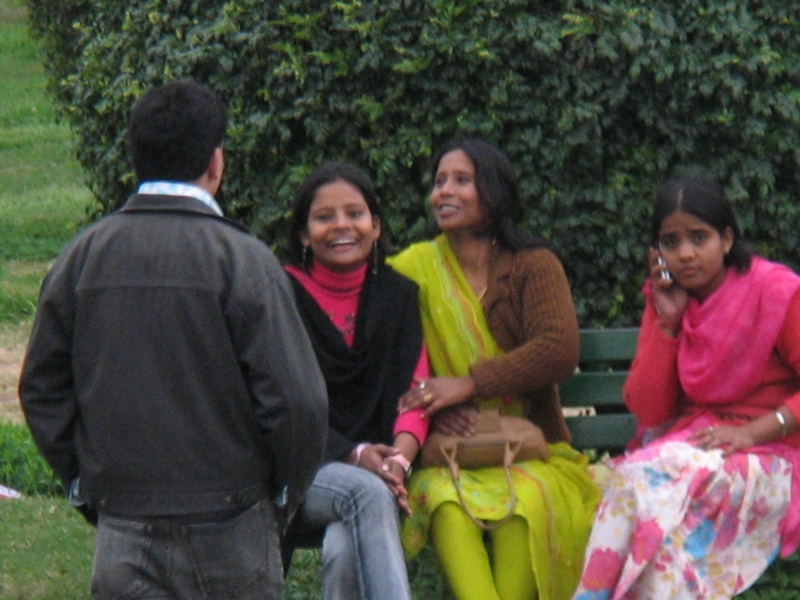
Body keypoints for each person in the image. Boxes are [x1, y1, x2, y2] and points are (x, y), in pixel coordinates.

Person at [18, 80, 328, 600]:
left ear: (136, 156)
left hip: (124, 524)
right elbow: (299, 402)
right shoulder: (243, 260)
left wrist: (85, 486)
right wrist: (281, 495)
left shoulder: (83, 256)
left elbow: (42, 388)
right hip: (232, 522)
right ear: (216, 161)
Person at [389, 138, 601, 600]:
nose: (444, 191)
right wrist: (430, 410)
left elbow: (558, 348)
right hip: (447, 454)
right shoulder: (411, 269)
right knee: (445, 505)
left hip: (526, 449)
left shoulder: (534, 265)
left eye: (462, 180)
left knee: (523, 506)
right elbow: (376, 349)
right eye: (439, 181)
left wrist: (466, 385)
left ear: (493, 191)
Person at [572, 173, 800, 599]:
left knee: (639, 475)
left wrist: (751, 432)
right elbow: (650, 411)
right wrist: (669, 324)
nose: (686, 254)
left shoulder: (773, 291)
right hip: (694, 456)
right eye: (671, 242)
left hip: (774, 458)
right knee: (663, 562)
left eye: (699, 237)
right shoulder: (668, 299)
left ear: (727, 239)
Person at [282, 162, 429, 599]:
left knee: (344, 546)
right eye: (324, 217)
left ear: (376, 226)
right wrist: (355, 454)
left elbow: (415, 395)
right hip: (298, 470)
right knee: (365, 493)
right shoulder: (278, 293)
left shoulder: (399, 296)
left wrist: (397, 464)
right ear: (304, 234)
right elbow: (275, 401)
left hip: (381, 476)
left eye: (355, 214)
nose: (342, 226)